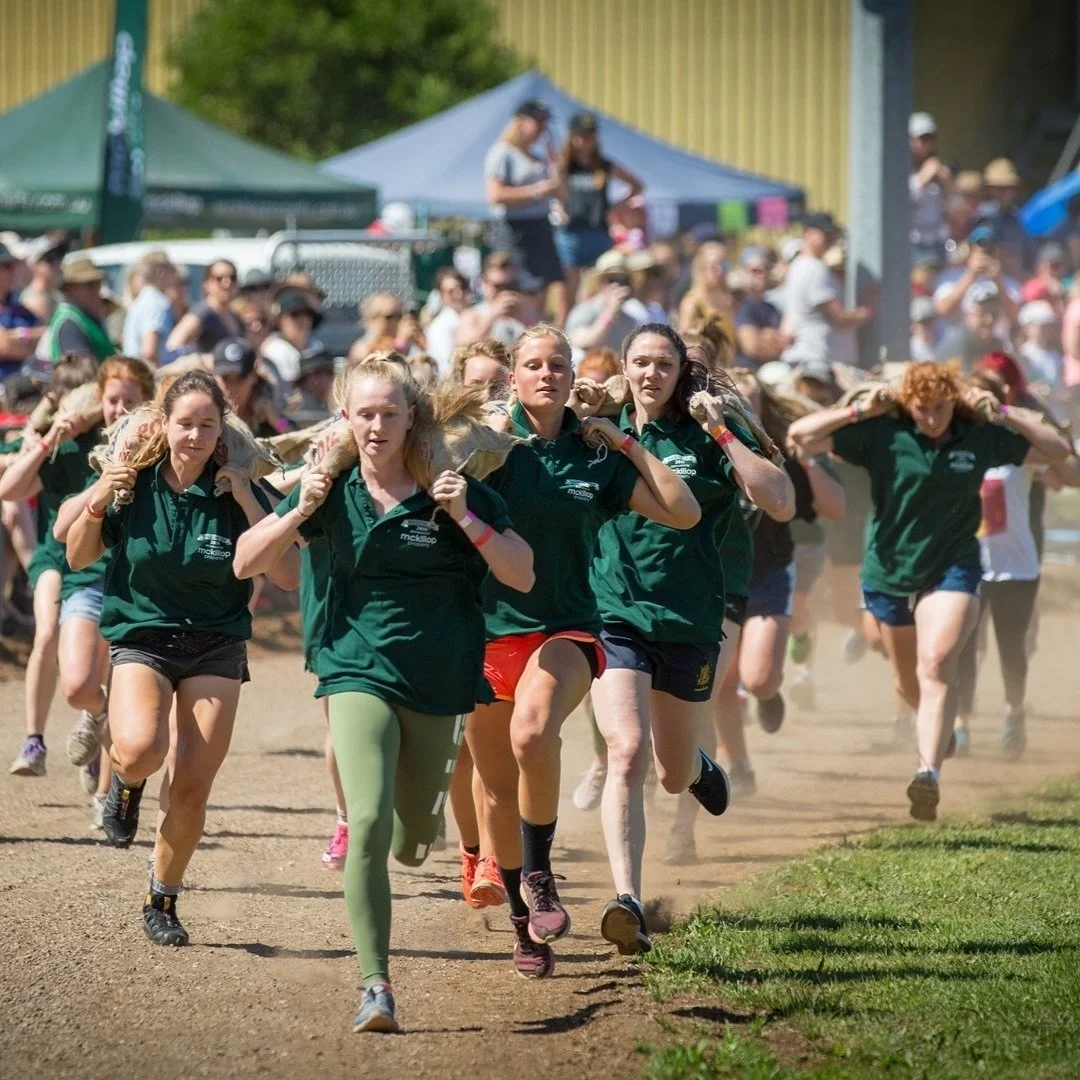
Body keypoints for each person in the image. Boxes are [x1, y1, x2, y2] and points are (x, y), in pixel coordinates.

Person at [234, 357, 534, 1032]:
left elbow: (520, 572)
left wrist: (465, 516)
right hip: (352, 669)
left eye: (389, 414)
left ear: (412, 420)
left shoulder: (448, 487)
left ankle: (419, 840)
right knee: (366, 823)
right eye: (364, 413)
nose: (375, 426)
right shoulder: (329, 487)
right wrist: (300, 508)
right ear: (346, 419)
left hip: (441, 677)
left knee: (412, 843)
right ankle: (376, 984)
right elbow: (247, 561)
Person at [466, 324, 700, 979]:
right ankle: (524, 924)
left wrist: (625, 439)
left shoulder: (594, 453)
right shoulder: (484, 446)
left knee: (534, 733)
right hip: (484, 632)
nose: (546, 374)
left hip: (565, 628)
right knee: (496, 794)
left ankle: (539, 870)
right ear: (513, 377)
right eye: (532, 365)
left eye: (557, 364)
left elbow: (682, 512)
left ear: (574, 376)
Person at [65, 370, 296, 946]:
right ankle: (125, 781)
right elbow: (77, 557)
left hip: (216, 642)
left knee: (191, 785)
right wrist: (99, 496)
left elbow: (289, 576)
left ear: (223, 432)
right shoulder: (134, 483)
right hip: (143, 636)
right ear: (164, 426)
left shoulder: (240, 489)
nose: (194, 435)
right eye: (184, 423)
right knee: (142, 750)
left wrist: (245, 495)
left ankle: (162, 897)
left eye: (207, 425)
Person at [788, 361, 1070, 820]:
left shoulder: (977, 435)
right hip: (890, 572)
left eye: (940, 407)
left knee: (937, 663)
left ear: (953, 403)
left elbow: (1057, 449)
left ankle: (928, 773)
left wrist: (999, 409)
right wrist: (861, 408)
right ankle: (936, 731)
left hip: (953, 566)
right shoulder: (885, 434)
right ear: (907, 404)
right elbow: (800, 436)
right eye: (921, 409)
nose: (931, 417)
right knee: (909, 682)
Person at [588, 326, 792, 952]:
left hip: (689, 619)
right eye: (640, 363)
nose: (651, 374)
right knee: (625, 750)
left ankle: (700, 764)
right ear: (624, 368)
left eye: (664, 364)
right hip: (614, 613)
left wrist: (726, 431)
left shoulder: (707, 431)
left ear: (682, 372)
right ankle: (627, 898)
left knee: (673, 773)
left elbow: (780, 502)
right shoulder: (597, 427)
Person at [46, 357, 157, 823]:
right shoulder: (89, 451)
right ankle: (95, 716)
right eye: (112, 400)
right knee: (77, 687)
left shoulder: (155, 450)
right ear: (100, 401)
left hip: (135, 587)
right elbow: (58, 531)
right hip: (88, 578)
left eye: (130, 402)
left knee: (120, 682)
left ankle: (107, 795)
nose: (118, 410)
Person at [955, 358, 1078, 759]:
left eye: (987, 399)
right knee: (964, 650)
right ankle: (961, 724)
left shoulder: (1017, 448)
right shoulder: (953, 443)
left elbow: (1069, 471)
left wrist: (1012, 415)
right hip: (967, 563)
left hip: (1015, 566)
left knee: (1012, 648)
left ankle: (1014, 712)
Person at [4, 354, 98, 777]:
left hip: (98, 561)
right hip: (54, 555)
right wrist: (41, 442)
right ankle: (34, 740)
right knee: (46, 632)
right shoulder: (53, 443)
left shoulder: (108, 444)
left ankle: (96, 730)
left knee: (100, 658)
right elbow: (11, 487)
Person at [484, 99, 568, 327]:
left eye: (545, 123)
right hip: (514, 229)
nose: (542, 128)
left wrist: (555, 162)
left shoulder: (539, 157)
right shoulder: (503, 153)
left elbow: (562, 193)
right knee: (517, 285)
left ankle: (545, 328)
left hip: (540, 226)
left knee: (549, 283)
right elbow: (495, 195)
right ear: (521, 122)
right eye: (538, 121)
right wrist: (536, 191)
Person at [555, 111, 643, 305]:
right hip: (571, 233)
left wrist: (614, 206)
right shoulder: (564, 165)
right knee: (568, 292)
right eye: (583, 135)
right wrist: (558, 208)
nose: (587, 140)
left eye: (591, 135)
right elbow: (553, 190)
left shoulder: (603, 166)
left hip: (598, 231)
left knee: (599, 286)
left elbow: (637, 185)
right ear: (573, 136)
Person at [780, 214, 872, 365]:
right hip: (817, 361)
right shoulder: (814, 269)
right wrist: (868, 309)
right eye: (825, 233)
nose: (831, 238)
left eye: (832, 233)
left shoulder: (799, 265)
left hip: (810, 358)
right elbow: (839, 319)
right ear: (807, 233)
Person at [566, 249, 649, 351]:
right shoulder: (585, 311)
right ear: (600, 282)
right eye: (612, 280)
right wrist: (609, 313)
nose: (617, 286)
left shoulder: (629, 320)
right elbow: (583, 344)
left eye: (623, 280)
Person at [165, 259, 245, 355]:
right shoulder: (202, 313)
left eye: (232, 278)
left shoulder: (235, 317)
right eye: (219, 278)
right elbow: (173, 346)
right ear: (207, 283)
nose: (226, 283)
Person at [455, 253, 529, 349]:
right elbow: (463, 347)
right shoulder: (472, 315)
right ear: (483, 283)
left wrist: (524, 317)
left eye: (510, 285)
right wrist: (493, 316)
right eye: (498, 286)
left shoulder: (525, 310)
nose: (505, 291)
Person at [47, 259, 114, 363]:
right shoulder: (70, 322)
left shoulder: (85, 317)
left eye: (98, 284)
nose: (96, 290)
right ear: (70, 288)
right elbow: (81, 371)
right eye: (90, 285)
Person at [933, 280, 1009, 369]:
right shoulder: (957, 345)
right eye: (982, 314)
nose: (989, 320)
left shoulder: (996, 345)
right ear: (968, 315)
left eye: (994, 314)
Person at [980, 158, 1035, 276]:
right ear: (989, 190)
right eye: (998, 188)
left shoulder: (1018, 220)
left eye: (1009, 188)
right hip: (981, 280)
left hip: (1012, 281)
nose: (1004, 193)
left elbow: (1029, 260)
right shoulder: (980, 216)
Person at [908, 112, 951, 262]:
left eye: (930, 138)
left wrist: (947, 185)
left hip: (939, 242)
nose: (926, 144)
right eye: (922, 139)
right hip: (912, 243)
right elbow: (903, 202)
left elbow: (952, 208)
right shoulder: (902, 170)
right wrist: (923, 178)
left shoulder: (938, 169)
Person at [122, 252, 178, 366]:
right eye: (172, 271)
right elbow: (149, 352)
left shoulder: (142, 299)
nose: (175, 276)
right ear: (160, 272)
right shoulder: (156, 303)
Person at [260, 287, 325, 385]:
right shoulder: (273, 349)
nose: (302, 320)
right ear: (279, 320)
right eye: (294, 315)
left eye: (306, 314)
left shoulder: (317, 346)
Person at [734, 246, 784, 368]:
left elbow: (785, 341)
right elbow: (752, 347)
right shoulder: (740, 304)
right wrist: (772, 340)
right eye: (755, 270)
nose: (762, 274)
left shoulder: (772, 307)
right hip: (749, 375)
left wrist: (768, 337)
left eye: (766, 269)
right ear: (743, 272)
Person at [0, 241, 42, 378]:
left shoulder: (18, 308)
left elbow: (46, 336)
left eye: (13, 266)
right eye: (7, 266)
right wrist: (29, 339)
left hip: (23, 390)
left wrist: (17, 335)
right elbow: (4, 345)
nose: (13, 271)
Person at [677, 241, 734, 341]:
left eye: (724, 265)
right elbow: (685, 342)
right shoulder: (692, 302)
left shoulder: (729, 299)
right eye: (714, 266)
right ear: (702, 267)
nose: (720, 271)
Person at [424, 269, 471, 375]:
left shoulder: (474, 315)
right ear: (441, 295)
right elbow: (447, 366)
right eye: (450, 291)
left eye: (462, 288)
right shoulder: (439, 326)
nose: (458, 294)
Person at [1017, 300, 1063, 392]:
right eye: (1041, 326)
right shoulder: (1021, 355)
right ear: (1027, 327)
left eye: (1048, 326)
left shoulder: (1056, 355)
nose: (1046, 330)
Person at [18, 236, 66, 324]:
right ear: (34, 265)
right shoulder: (34, 300)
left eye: (58, 257)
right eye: (50, 260)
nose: (57, 263)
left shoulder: (54, 294)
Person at [909, 296, 939, 362]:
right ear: (913, 326)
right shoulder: (910, 350)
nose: (928, 326)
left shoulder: (941, 344)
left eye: (930, 322)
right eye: (923, 323)